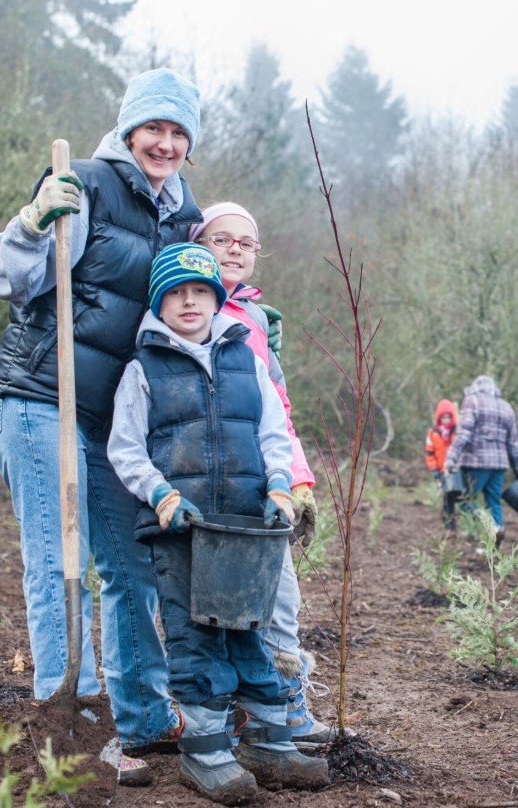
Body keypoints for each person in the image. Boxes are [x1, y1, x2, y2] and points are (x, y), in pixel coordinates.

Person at [0, 68, 204, 782]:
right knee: (58, 558)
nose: (165, 144)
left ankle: (139, 716)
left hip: (113, 419)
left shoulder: (181, 213)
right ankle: (67, 714)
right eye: (155, 129)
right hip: (42, 395)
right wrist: (31, 221)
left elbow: (186, 303)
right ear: (131, 130)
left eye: (178, 133)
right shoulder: (84, 183)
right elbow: (3, 275)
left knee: (132, 563)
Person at [108, 242, 329, 803]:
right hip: (182, 530)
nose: (189, 302)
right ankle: (205, 753)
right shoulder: (144, 369)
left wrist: (279, 483)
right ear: (160, 304)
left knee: (249, 629)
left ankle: (268, 741)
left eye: (200, 292)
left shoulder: (245, 359)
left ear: (216, 299)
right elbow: (126, 448)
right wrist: (160, 494)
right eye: (176, 293)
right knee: (195, 636)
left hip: (245, 526)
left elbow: (274, 431)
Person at [190, 203, 343, 747]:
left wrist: (297, 477)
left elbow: (278, 406)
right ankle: (227, 713)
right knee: (214, 606)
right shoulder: (186, 311)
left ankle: (281, 707)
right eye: (220, 239)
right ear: (196, 245)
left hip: (265, 482)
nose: (234, 249)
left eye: (246, 242)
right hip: (208, 484)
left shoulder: (254, 320)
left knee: (278, 599)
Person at [444, 376, 518, 547]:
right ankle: (495, 541)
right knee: (493, 500)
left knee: (467, 501)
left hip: (476, 462)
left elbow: (464, 434)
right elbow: (513, 443)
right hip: (499, 465)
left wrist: (450, 458)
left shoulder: (472, 401)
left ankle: (491, 529)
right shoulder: (506, 407)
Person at [424, 398, 458, 529]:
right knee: (445, 496)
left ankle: (451, 521)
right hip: (440, 471)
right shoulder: (433, 434)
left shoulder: (456, 432)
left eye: (448, 417)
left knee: (453, 496)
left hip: (454, 471)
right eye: (443, 418)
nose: (446, 420)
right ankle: (448, 522)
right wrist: (433, 469)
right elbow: (429, 453)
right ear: (439, 418)